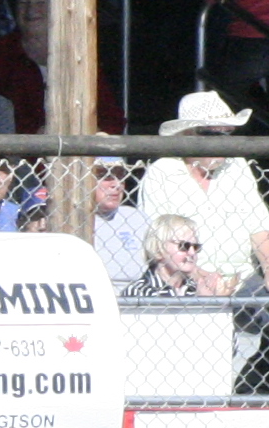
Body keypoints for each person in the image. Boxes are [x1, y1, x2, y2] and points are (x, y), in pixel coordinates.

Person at [140, 90, 269, 284]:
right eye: (211, 133)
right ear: (187, 134)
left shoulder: (237, 166)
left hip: (243, 280)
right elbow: (157, 242)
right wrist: (201, 279)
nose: (222, 141)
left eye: (228, 133)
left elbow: (260, 229)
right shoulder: (163, 172)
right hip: (183, 281)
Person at [89, 159, 148, 284]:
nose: (116, 185)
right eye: (105, 176)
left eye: (121, 176)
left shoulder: (137, 218)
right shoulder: (73, 223)